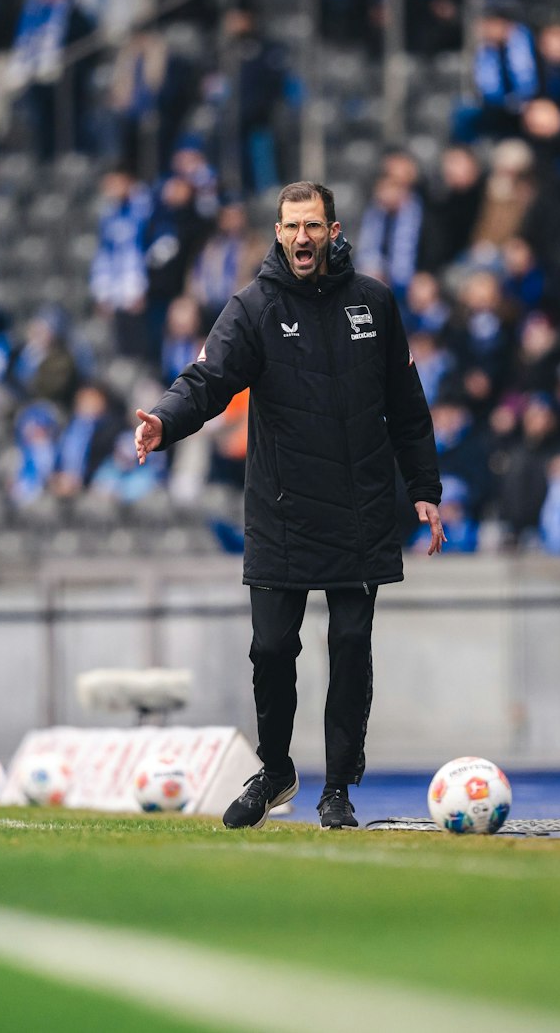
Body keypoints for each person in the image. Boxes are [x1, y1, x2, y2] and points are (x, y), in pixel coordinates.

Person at [135, 181, 444, 831]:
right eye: (290, 226)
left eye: (313, 225)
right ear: (277, 234)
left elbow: (408, 408)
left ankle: (337, 787)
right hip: (281, 510)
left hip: (360, 508)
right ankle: (275, 768)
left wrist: (425, 491)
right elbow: (210, 378)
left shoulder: (376, 304)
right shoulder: (254, 307)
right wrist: (166, 420)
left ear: (333, 231)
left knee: (351, 644)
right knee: (272, 648)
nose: (301, 237)